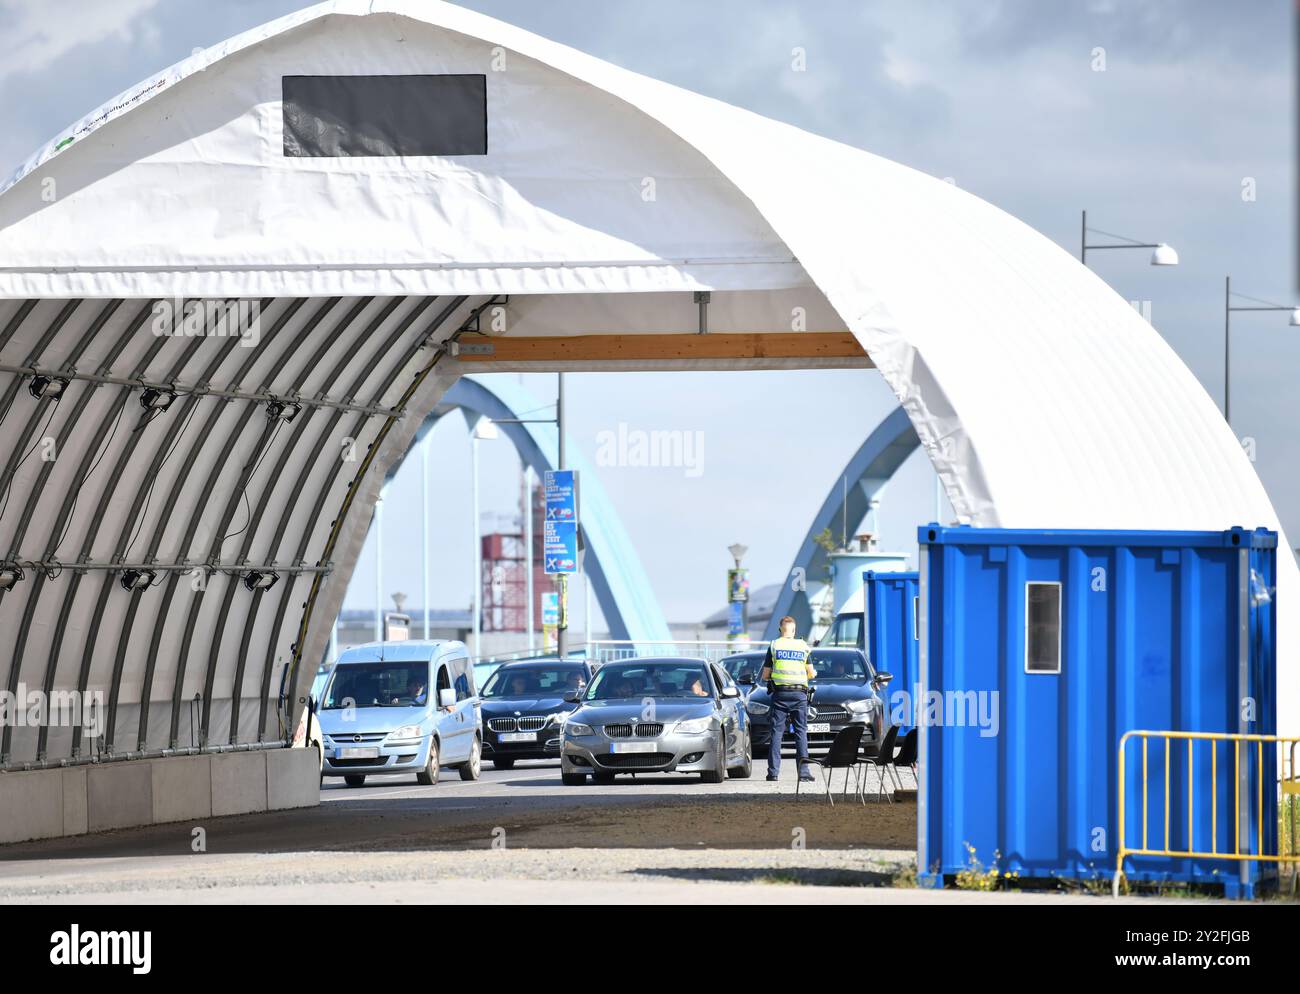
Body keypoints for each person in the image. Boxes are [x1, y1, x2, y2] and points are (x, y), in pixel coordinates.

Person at [760, 615, 817, 782]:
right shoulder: (803, 646)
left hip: (780, 695)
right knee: (801, 732)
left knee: (777, 733)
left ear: (780, 629)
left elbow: (765, 675)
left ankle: (773, 773)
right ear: (794, 630)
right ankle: (804, 773)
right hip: (799, 695)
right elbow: (811, 673)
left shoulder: (774, 645)